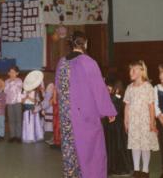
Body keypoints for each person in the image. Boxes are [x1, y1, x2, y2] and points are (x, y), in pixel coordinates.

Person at [55, 31, 117, 178]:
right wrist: (109, 111)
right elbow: (99, 89)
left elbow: (58, 86)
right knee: (91, 151)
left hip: (66, 116)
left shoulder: (62, 62)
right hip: (84, 116)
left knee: (71, 149)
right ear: (85, 43)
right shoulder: (88, 62)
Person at [124, 60, 159, 178]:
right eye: (130, 70)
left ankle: (145, 170)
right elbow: (127, 105)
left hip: (145, 121)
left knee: (145, 145)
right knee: (135, 145)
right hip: (134, 122)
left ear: (141, 71)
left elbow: (151, 106)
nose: (130, 72)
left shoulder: (148, 86)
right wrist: (126, 120)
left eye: (133, 70)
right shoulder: (129, 87)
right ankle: (136, 169)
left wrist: (152, 123)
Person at [104, 76, 132, 176]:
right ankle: (113, 167)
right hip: (112, 126)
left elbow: (114, 109)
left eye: (109, 87)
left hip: (116, 127)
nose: (107, 88)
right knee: (113, 147)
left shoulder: (117, 97)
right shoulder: (116, 96)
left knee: (117, 147)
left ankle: (118, 167)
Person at [22, 70, 44, 143]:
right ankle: (27, 137)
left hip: (33, 109)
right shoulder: (24, 91)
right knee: (26, 123)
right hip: (26, 109)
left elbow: (35, 101)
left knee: (33, 123)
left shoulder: (35, 92)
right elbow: (22, 101)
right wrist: (26, 97)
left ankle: (33, 136)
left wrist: (29, 97)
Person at [4, 66, 23, 142]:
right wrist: (10, 83)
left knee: (18, 119)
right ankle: (12, 136)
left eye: (13, 72)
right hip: (9, 102)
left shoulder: (19, 80)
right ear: (8, 73)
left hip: (17, 101)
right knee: (11, 119)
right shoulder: (6, 81)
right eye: (10, 72)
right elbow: (5, 91)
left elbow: (19, 89)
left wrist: (12, 82)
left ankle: (18, 136)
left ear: (17, 73)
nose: (12, 74)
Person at [154, 64, 163, 178]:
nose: (161, 80)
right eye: (161, 79)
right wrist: (160, 116)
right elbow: (155, 105)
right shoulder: (156, 88)